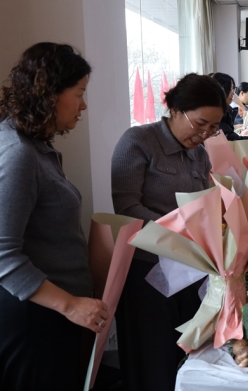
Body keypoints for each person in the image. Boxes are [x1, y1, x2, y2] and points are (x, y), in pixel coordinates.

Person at [0, 42, 108, 390]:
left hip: (53, 314)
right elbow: (2, 254)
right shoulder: (19, 154)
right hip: (36, 317)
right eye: (79, 93)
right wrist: (71, 305)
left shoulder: (37, 148)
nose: (84, 104)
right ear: (49, 94)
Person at [111, 73, 227, 391]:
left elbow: (202, 203)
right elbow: (127, 209)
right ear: (175, 109)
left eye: (213, 127)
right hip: (147, 271)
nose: (205, 134)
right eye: (200, 123)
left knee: (184, 356)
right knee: (151, 359)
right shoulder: (138, 142)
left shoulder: (199, 153)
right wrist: (183, 233)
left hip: (188, 272)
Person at [212, 72, 248, 141]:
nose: (233, 93)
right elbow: (228, 135)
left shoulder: (226, 108)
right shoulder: (220, 110)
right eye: (231, 89)